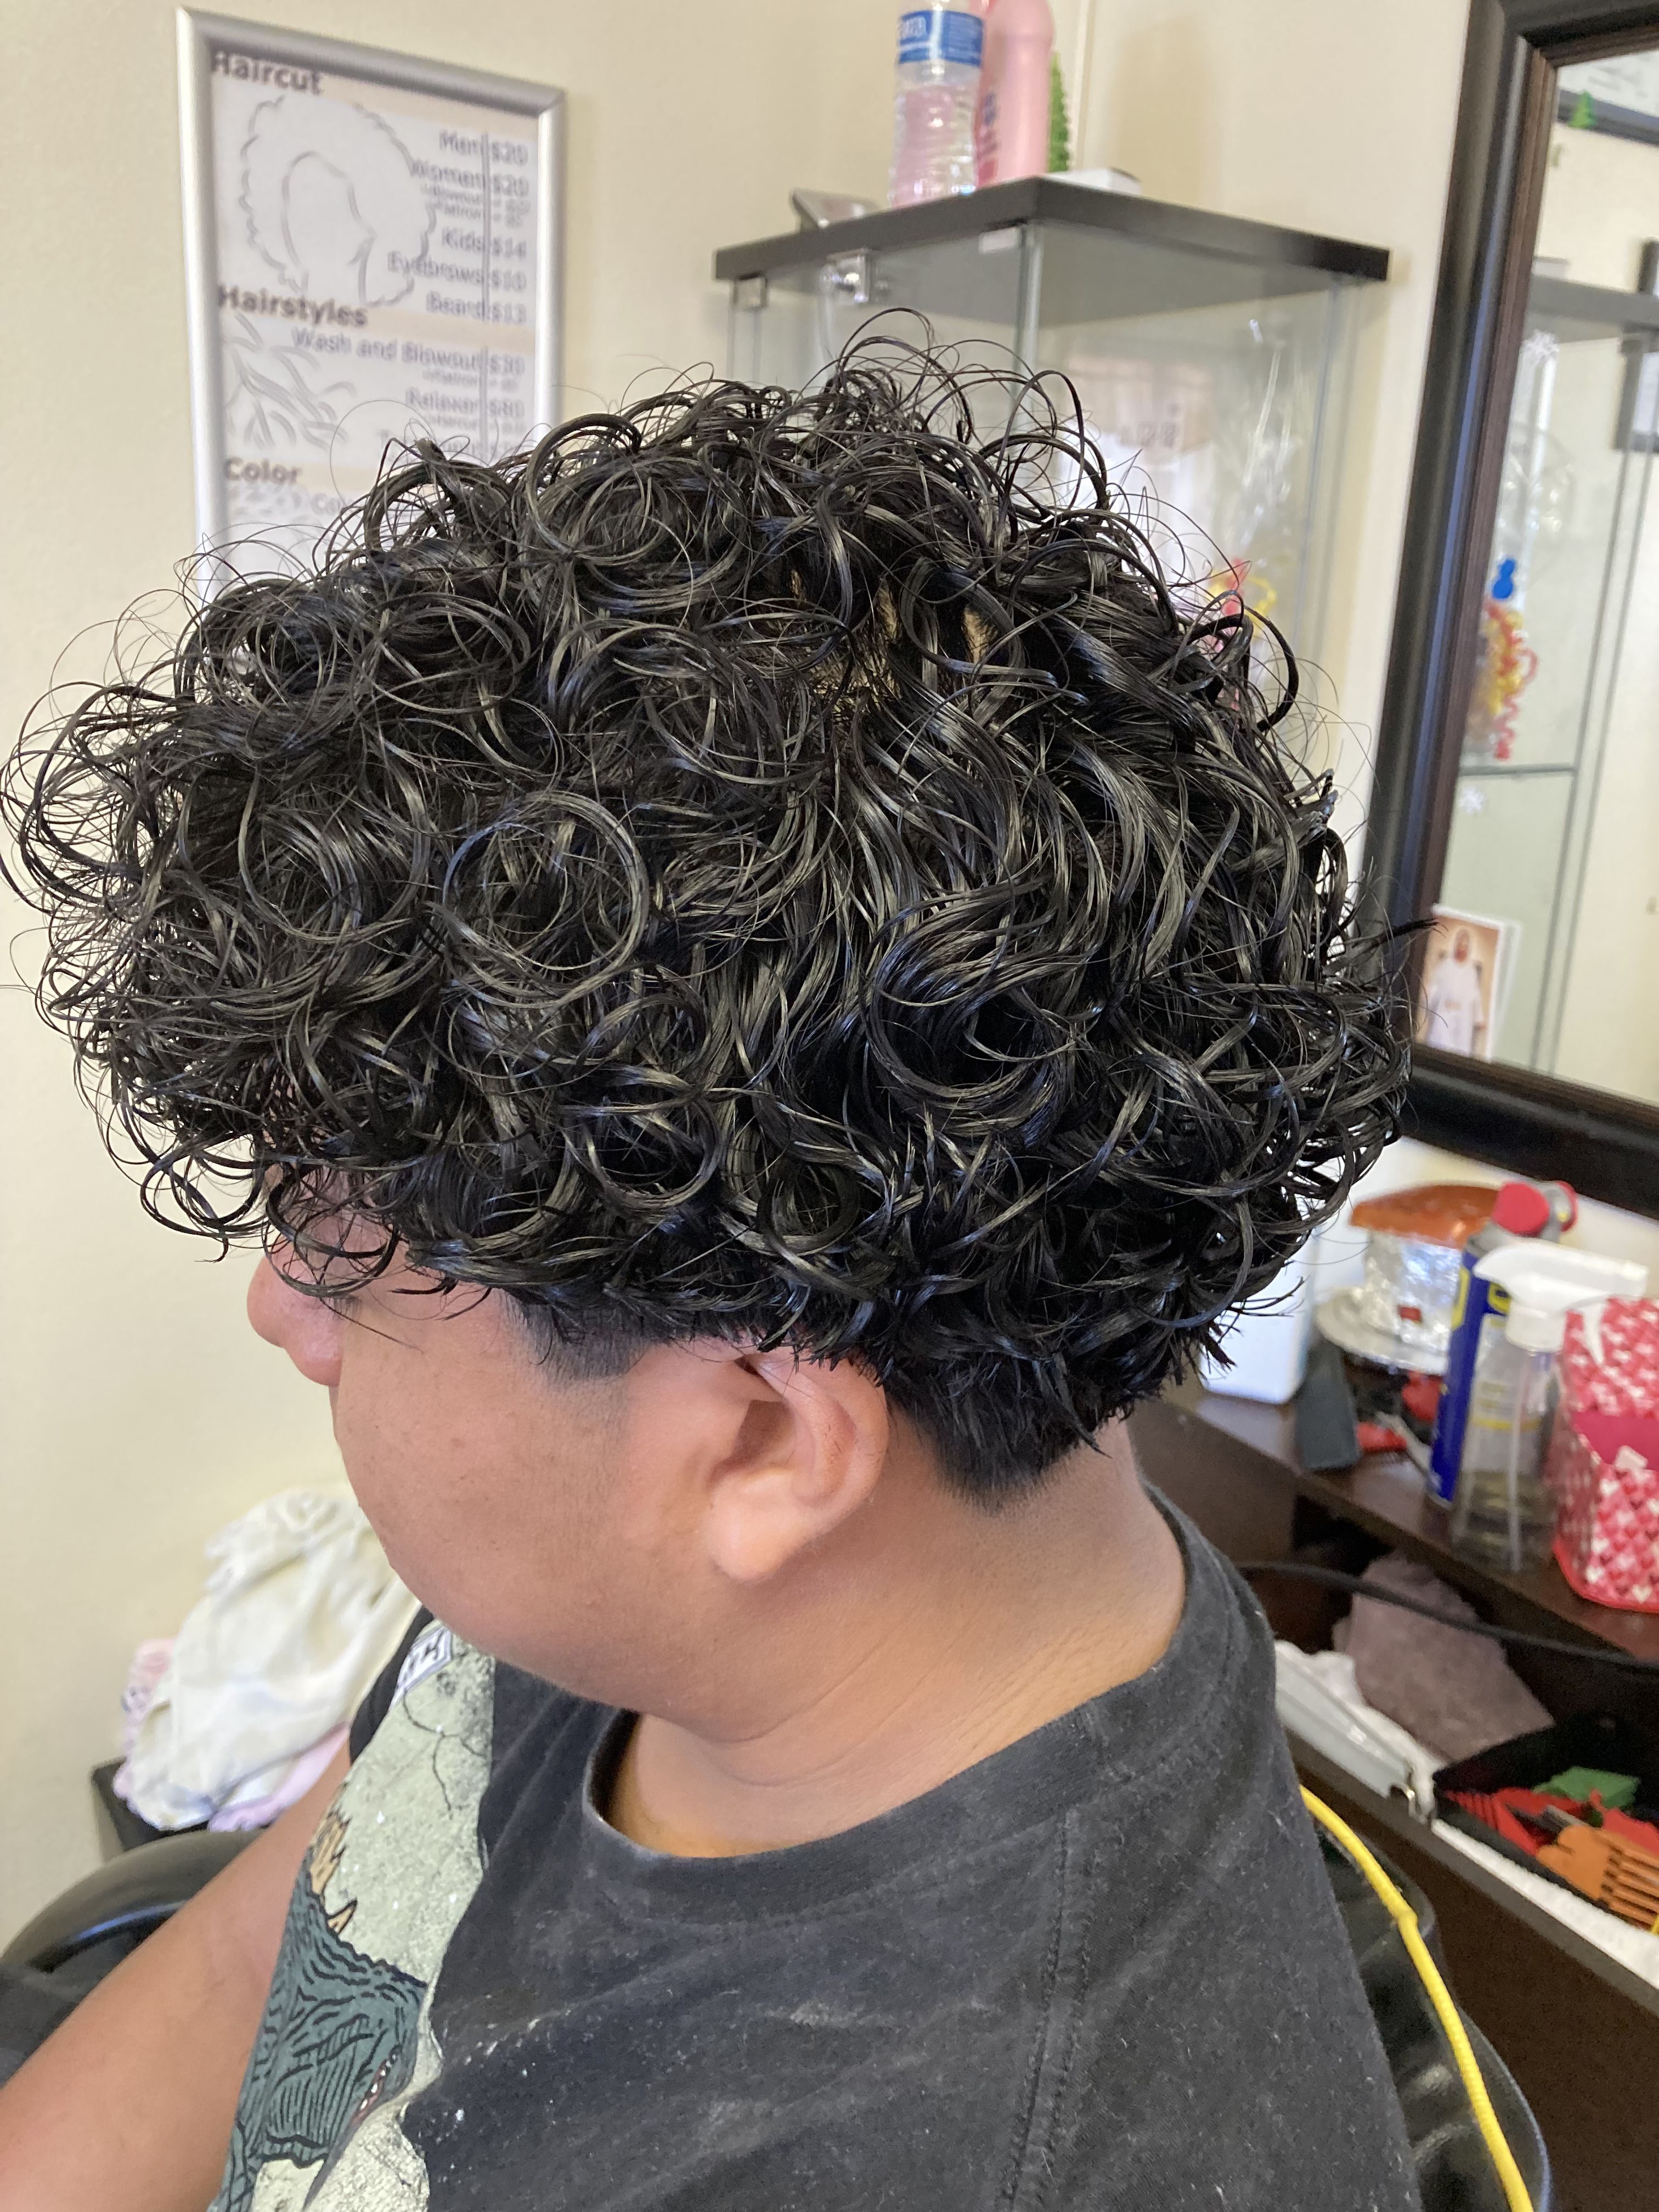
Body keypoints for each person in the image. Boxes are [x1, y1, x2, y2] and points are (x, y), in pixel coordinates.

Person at [0, 347, 1414, 2210]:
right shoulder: (663, 1548)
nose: (283, 1309)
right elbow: (286, 1954)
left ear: (757, 1443)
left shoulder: (1015, 2145)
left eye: (346, 1251)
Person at [1420, 927, 1488, 1057]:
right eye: (1460, 945)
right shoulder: (1445, 965)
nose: (1462, 949)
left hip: (1462, 1017)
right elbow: (1435, 985)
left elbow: (1475, 996)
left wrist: (1479, 1018)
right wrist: (1428, 996)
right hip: (1444, 1012)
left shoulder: (1471, 971)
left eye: (1465, 946)